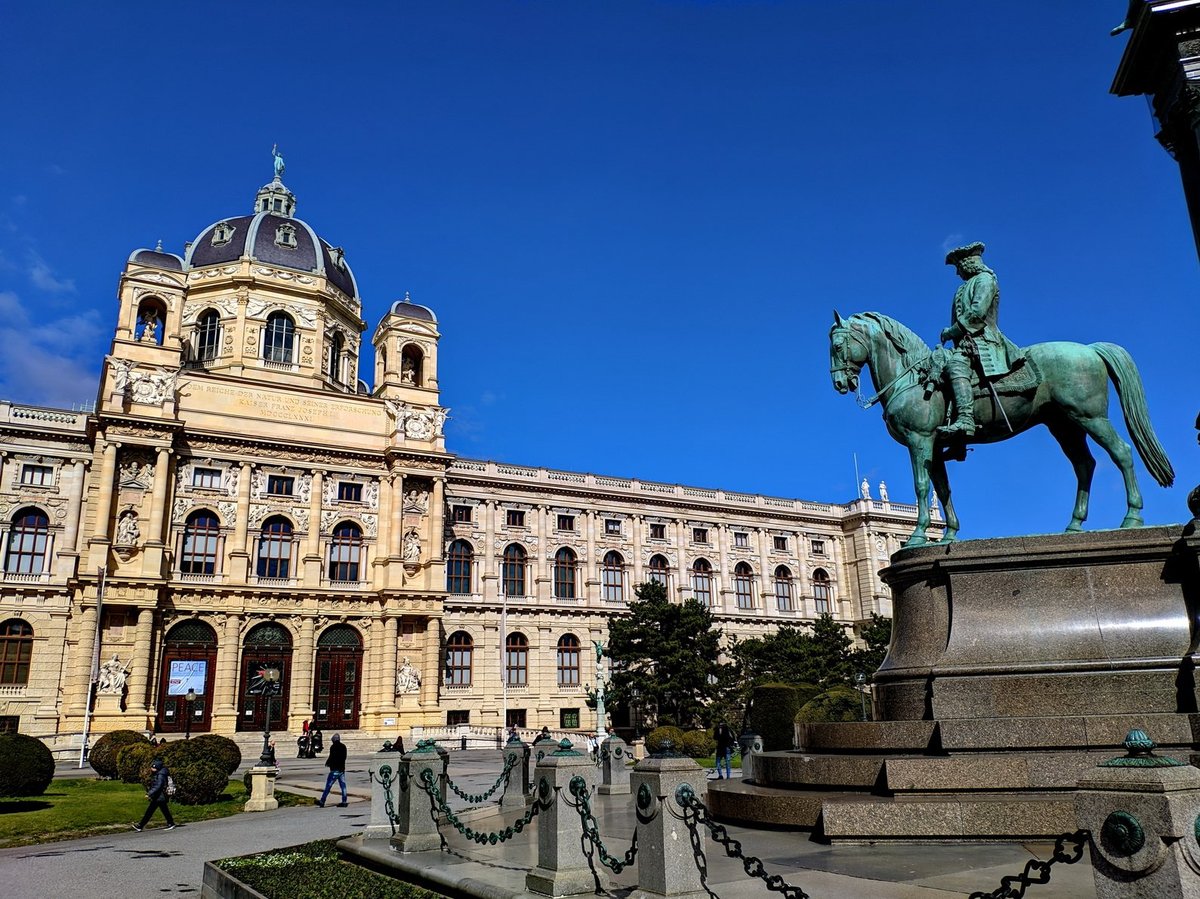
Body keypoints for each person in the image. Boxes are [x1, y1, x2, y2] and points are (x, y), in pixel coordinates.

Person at [936, 242, 1020, 438]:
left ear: (969, 263)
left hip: (983, 341)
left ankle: (966, 419)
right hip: (966, 342)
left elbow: (976, 313)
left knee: (956, 365)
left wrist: (950, 332)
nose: (958, 273)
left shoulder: (985, 280)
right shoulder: (963, 287)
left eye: (959, 267)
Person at [133, 759, 176, 831]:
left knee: (150, 811)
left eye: (153, 767)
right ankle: (171, 823)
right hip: (159, 796)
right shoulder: (159, 773)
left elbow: (158, 786)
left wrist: (149, 793)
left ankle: (140, 826)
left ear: (158, 768)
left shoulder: (160, 775)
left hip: (160, 796)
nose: (151, 769)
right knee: (163, 811)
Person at [316, 733, 347, 808]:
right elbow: (344, 757)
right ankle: (344, 801)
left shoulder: (333, 747)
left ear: (333, 740)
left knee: (328, 786)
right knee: (343, 786)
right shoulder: (343, 746)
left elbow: (332, 756)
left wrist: (328, 763)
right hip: (341, 769)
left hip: (334, 769)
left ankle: (322, 801)